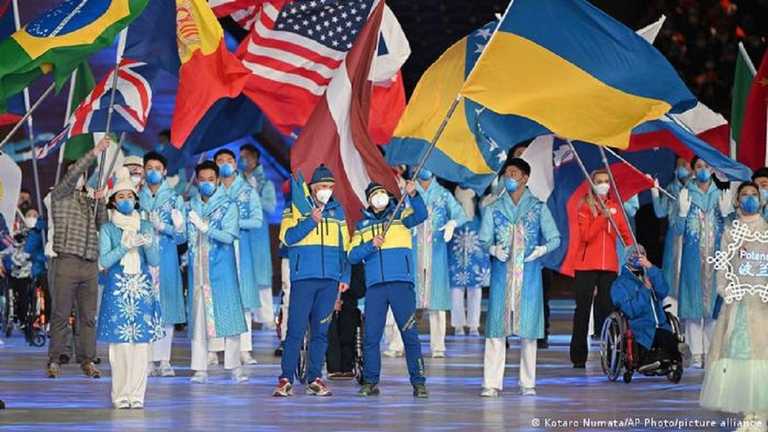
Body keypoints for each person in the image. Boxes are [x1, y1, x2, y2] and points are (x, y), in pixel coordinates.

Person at [479, 158, 560, 397]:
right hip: (502, 276)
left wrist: (541, 250)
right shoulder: (494, 207)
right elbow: (484, 239)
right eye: (506, 174)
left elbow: (555, 238)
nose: (509, 178)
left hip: (529, 277)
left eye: (513, 173)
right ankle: (491, 383)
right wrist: (493, 249)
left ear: (525, 177)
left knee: (529, 333)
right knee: (496, 331)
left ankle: (527, 382)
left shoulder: (538, 207)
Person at [273, 164, 350, 397]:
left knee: (320, 332)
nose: (326, 190)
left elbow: (344, 247)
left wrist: (344, 276)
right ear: (313, 187)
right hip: (304, 278)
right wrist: (310, 221)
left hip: (329, 281)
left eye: (330, 186)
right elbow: (287, 238)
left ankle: (314, 377)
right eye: (322, 186)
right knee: (295, 330)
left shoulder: (338, 212)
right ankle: (286, 377)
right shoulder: (294, 209)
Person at [349, 181, 429, 398]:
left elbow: (421, 215)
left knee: (409, 335)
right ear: (368, 200)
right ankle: (370, 381)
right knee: (372, 337)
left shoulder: (401, 216)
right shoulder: (362, 225)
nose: (380, 197)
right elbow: (352, 255)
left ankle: (419, 382)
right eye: (375, 195)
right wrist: (370, 245)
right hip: (375, 288)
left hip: (401, 284)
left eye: (382, 193)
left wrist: (414, 194)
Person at [700, 182, 768, 430]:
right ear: (737, 201)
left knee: (762, 358)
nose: (749, 199)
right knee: (740, 358)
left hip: (762, 305)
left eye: (754, 195)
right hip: (738, 305)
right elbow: (723, 267)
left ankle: (760, 416)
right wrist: (726, 291)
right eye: (745, 195)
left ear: (761, 200)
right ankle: (747, 416)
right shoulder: (730, 232)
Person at [97, 168, 163, 409]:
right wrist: (124, 247)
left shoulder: (144, 224)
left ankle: (137, 395)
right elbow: (103, 262)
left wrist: (148, 243)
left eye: (129, 196)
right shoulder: (108, 229)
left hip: (142, 289)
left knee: (141, 347)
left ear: (136, 199)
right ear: (113, 202)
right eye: (120, 197)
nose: (126, 201)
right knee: (121, 346)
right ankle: (120, 395)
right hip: (118, 290)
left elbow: (154, 261)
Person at [46, 136, 111, 379]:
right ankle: (55, 359)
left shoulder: (87, 200)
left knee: (88, 317)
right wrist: (94, 152)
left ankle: (88, 359)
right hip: (67, 261)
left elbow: (102, 226)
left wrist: (100, 200)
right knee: (61, 314)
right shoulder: (59, 195)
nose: (79, 177)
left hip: (89, 264)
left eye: (82, 174)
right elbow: (72, 176)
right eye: (75, 173)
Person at [187, 161, 248, 384]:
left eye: (210, 180)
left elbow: (229, 236)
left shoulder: (228, 205)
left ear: (218, 180)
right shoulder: (190, 205)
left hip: (222, 272)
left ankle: (234, 367)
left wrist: (206, 228)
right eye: (202, 180)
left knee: (229, 317)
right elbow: (182, 238)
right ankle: (199, 368)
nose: (206, 184)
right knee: (199, 321)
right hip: (198, 273)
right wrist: (174, 227)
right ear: (196, 181)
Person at [570, 169, 634, 369]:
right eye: (599, 181)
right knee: (583, 310)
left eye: (606, 181)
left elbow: (627, 236)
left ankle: (611, 354)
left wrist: (628, 251)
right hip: (586, 265)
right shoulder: (584, 207)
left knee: (608, 310)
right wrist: (602, 218)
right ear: (592, 183)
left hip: (609, 267)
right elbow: (587, 235)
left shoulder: (615, 207)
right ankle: (578, 356)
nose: (603, 184)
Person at [675, 157, 730, 368]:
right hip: (692, 259)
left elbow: (731, 231)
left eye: (707, 167)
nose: (703, 170)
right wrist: (681, 212)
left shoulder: (721, 195)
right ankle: (696, 353)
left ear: (713, 170)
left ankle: (712, 352)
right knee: (692, 307)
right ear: (694, 170)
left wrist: (727, 215)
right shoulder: (685, 194)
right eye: (699, 167)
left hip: (717, 258)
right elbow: (678, 230)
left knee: (713, 308)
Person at [139, 152, 186, 377]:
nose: (154, 171)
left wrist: (167, 228)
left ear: (165, 171)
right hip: (142, 260)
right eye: (150, 167)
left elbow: (182, 236)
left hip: (166, 259)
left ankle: (164, 360)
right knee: (146, 309)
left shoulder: (175, 198)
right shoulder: (137, 196)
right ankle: (147, 359)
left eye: (158, 167)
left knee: (166, 309)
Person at [213, 149, 263, 365]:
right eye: (220, 161)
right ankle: (213, 349)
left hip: (240, 249)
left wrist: (233, 223)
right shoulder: (210, 190)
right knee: (213, 297)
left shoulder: (247, 190)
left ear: (235, 164)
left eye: (229, 161)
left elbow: (257, 220)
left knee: (241, 298)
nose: (225, 164)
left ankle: (244, 349)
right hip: (215, 249)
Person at [414, 169, 467, 358]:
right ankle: (398, 343)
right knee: (407, 299)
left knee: (437, 300)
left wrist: (452, 223)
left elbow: (462, 214)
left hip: (436, 251)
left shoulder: (443, 194)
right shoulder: (409, 192)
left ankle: (438, 345)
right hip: (413, 250)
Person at [610, 245, 682, 372]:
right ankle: (657, 360)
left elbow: (663, 291)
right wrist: (645, 290)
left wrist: (651, 268)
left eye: (642, 254)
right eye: (635, 254)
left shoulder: (649, 275)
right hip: (639, 328)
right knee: (656, 344)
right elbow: (631, 310)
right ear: (627, 258)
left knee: (669, 338)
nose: (638, 256)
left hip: (659, 325)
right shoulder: (620, 284)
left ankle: (673, 357)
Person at [240, 144, 278, 331]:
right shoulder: (236, 181)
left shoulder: (265, 183)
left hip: (258, 235)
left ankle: (266, 317)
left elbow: (271, 208)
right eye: (241, 157)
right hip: (239, 234)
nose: (243, 160)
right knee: (243, 276)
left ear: (255, 158)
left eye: (246, 156)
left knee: (261, 277)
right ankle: (245, 316)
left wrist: (254, 193)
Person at [650, 157, 693, 309]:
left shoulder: (696, 189)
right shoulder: (670, 188)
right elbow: (660, 212)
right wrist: (655, 191)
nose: (682, 167)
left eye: (685, 164)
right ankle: (671, 312)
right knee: (671, 274)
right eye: (679, 164)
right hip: (673, 237)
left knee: (689, 275)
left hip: (691, 238)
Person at [448, 186, 488, 337]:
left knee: (475, 291)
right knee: (456, 291)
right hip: (455, 255)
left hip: (476, 256)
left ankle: (473, 325)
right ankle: (458, 325)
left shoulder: (481, 209)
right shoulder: (453, 210)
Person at [326, 263, 365, 379]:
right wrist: (331, 301)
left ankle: (347, 365)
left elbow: (361, 290)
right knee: (328, 321)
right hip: (326, 301)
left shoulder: (354, 261)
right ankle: (333, 366)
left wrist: (346, 288)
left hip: (349, 301)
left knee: (349, 318)